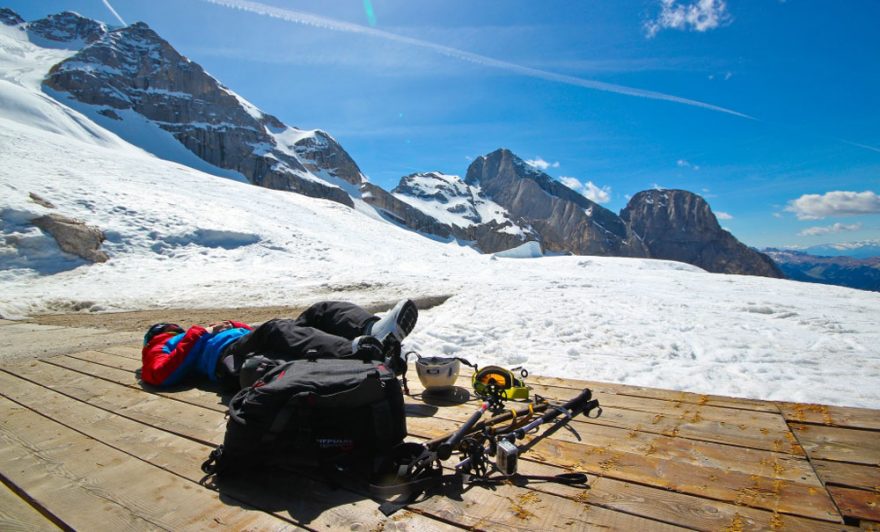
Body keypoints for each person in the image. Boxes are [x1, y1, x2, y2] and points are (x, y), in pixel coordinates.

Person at [141, 299, 418, 389]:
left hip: (249, 341)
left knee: (319, 312)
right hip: (230, 357)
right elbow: (159, 373)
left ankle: (373, 330)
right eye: (166, 327)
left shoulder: (186, 337)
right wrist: (200, 332)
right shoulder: (162, 342)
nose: (172, 327)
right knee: (275, 329)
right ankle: (360, 351)